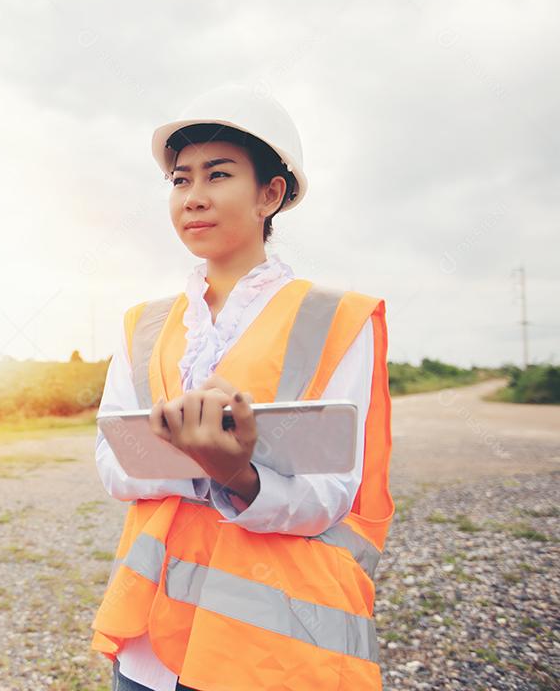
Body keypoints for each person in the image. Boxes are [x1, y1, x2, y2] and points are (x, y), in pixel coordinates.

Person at [89, 83, 394, 690]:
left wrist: (240, 477)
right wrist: (207, 464)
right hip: (150, 643)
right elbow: (112, 462)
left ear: (270, 194)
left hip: (269, 650)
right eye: (180, 180)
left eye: (218, 175)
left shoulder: (336, 320)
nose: (194, 197)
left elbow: (331, 494)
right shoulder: (144, 324)